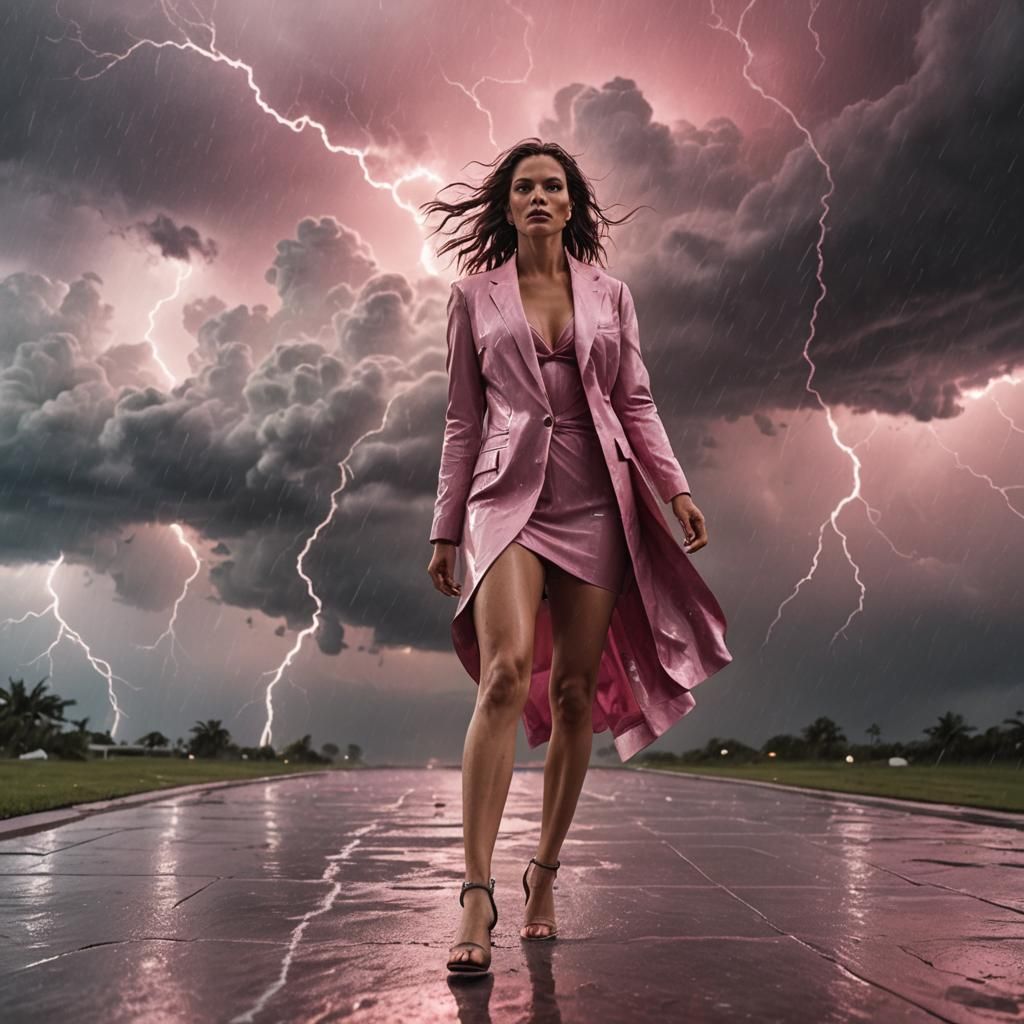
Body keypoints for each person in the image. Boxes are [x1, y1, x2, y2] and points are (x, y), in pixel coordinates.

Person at [420, 139, 732, 977]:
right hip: (504, 500)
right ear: (506, 205)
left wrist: (676, 491)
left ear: (571, 203)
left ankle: (545, 872)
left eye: (552, 185)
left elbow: (635, 401)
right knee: (506, 669)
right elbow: (460, 419)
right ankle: (478, 891)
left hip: (598, 499)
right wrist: (446, 526)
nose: (538, 197)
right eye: (523, 186)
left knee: (573, 696)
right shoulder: (472, 299)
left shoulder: (612, 295)